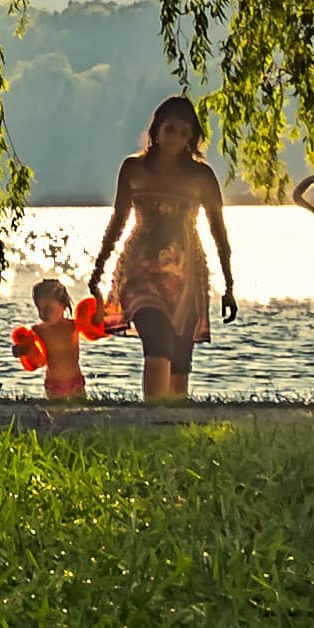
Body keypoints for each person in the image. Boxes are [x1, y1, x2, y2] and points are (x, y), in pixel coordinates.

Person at [87, 94, 237, 400]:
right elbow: (118, 220)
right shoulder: (133, 169)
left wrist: (229, 285)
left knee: (180, 357)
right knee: (157, 342)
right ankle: (153, 415)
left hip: (186, 275)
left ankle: (174, 422)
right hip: (141, 270)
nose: (175, 138)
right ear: (156, 130)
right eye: (170, 129)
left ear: (191, 139)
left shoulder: (201, 176)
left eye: (184, 133)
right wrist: (99, 269)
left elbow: (218, 231)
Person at [10, 274, 119, 400]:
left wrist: (99, 297)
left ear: (64, 306)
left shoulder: (73, 326)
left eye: (49, 308)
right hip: (53, 384)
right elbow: (33, 356)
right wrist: (20, 351)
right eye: (40, 308)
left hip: (75, 381)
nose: (43, 313)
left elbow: (97, 322)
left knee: (80, 411)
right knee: (56, 414)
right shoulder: (38, 331)